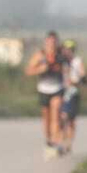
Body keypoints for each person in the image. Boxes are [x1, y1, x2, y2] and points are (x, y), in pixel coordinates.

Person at [24, 31, 68, 159]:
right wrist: (40, 69)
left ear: (57, 42)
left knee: (56, 113)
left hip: (58, 88)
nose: (52, 45)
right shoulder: (40, 55)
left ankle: (55, 142)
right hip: (44, 89)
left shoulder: (61, 55)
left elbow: (69, 66)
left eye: (54, 42)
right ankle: (48, 140)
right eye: (49, 42)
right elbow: (28, 71)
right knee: (46, 118)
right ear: (45, 43)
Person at [59, 39, 87, 154]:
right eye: (66, 50)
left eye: (70, 50)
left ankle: (69, 143)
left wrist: (77, 80)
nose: (67, 52)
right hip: (61, 92)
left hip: (72, 92)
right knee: (62, 117)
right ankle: (62, 141)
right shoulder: (61, 61)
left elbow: (82, 74)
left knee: (71, 120)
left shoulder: (77, 61)